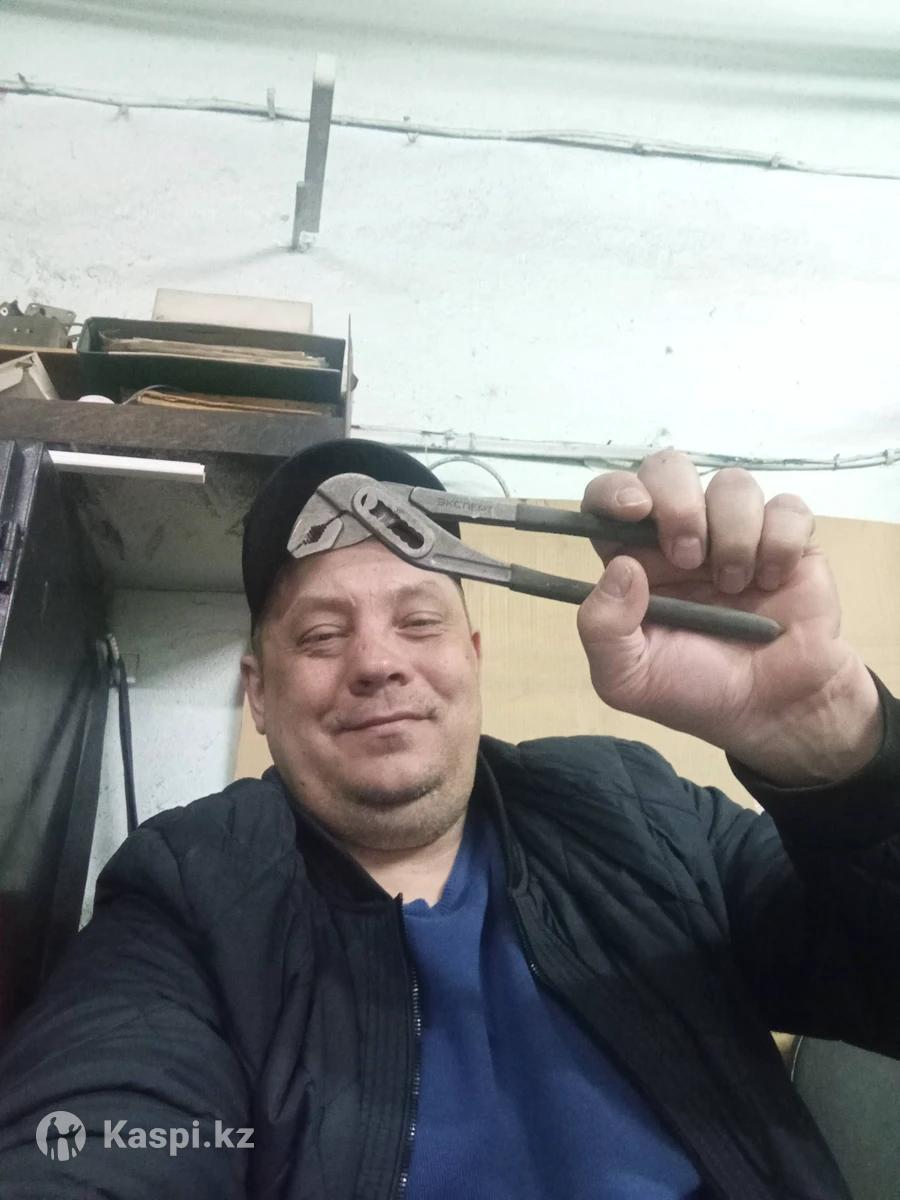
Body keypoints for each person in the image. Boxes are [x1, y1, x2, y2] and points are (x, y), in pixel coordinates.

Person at [0, 437, 896, 1200]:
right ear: (260, 693)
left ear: (472, 655)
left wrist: (833, 744)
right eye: (321, 636)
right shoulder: (188, 893)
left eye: (420, 622)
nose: (376, 662)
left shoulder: (639, 808)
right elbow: (92, 1130)